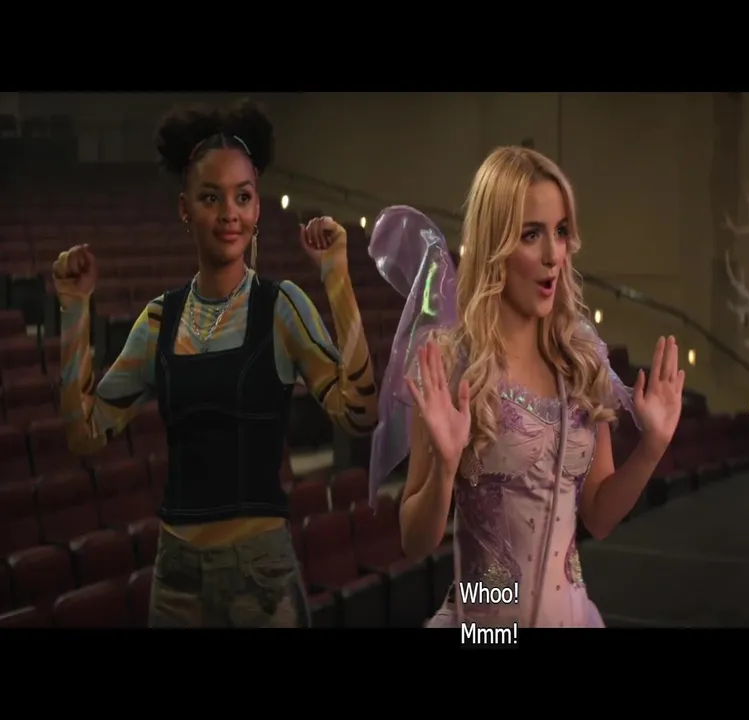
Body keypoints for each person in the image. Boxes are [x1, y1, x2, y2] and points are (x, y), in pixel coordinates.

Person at [51, 100, 378, 627]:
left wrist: (336, 275)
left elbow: (360, 414)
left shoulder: (282, 307)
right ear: (185, 208)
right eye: (211, 197)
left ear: (257, 208)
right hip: (176, 577)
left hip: (261, 575)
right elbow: (84, 434)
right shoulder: (158, 320)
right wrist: (73, 310)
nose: (229, 213)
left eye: (242, 197)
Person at [368, 147, 685, 628]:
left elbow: (598, 517)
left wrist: (652, 448)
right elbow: (414, 542)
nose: (553, 255)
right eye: (531, 235)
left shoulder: (581, 360)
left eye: (561, 232)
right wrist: (445, 470)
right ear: (494, 243)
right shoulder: (451, 363)